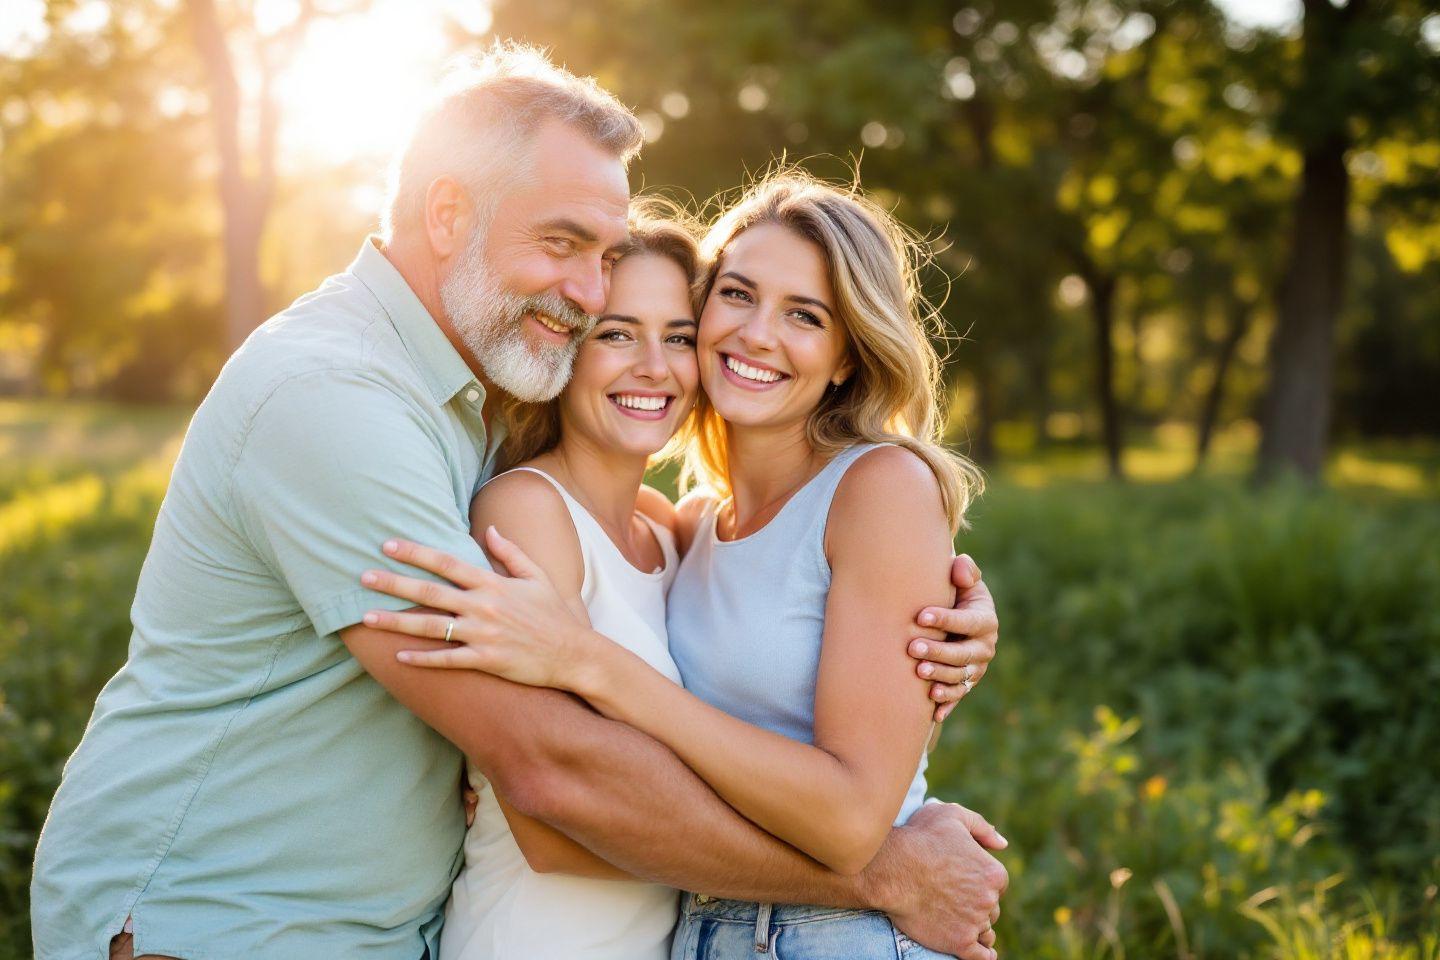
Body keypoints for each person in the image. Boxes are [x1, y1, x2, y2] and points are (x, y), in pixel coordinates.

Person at [31, 44, 1003, 960]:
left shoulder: (486, 405)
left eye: (608, 257)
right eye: (562, 244)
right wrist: (881, 873)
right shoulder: (333, 400)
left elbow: (729, 582)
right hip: (222, 917)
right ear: (448, 214)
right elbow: (548, 768)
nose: (586, 291)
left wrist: (934, 608)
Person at [363, 173, 1004, 960]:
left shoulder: (869, 490)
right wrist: (895, 872)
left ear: (847, 355)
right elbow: (556, 798)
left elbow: (847, 813)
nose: (757, 334)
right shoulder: (686, 531)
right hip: (685, 932)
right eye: (736, 295)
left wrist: (588, 663)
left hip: (829, 938)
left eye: (805, 315)